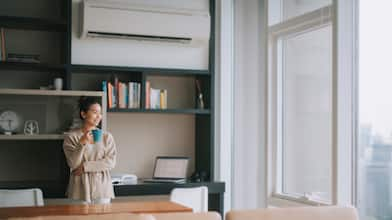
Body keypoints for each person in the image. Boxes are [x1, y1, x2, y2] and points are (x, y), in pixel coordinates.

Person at [63, 96, 116, 204]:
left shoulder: (107, 137)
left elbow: (110, 162)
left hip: (102, 189)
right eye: (95, 112)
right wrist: (81, 143)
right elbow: (73, 164)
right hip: (79, 190)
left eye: (100, 113)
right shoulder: (71, 137)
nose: (99, 116)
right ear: (83, 114)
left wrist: (85, 167)